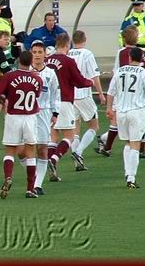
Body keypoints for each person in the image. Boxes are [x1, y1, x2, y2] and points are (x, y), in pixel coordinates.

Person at [97, 25, 145, 158]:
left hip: (122, 92)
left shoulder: (121, 53)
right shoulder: (142, 53)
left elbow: (116, 72)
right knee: (140, 121)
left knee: (118, 121)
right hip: (138, 93)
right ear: (136, 38)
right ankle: (139, 149)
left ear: (124, 39)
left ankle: (107, 145)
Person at [0, 51, 43, 199]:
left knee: (10, 151)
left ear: (18, 60)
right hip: (30, 117)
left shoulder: (9, 76)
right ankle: (30, 189)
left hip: (13, 116)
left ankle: (8, 177)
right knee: (31, 152)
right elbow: (38, 94)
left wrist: (5, 98)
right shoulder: (37, 78)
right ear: (31, 61)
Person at [44, 33, 94, 182]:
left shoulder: (47, 60)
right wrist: (89, 82)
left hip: (48, 103)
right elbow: (78, 81)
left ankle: (50, 167)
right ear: (67, 45)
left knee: (53, 137)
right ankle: (53, 159)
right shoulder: (68, 61)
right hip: (64, 101)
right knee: (69, 137)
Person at [106, 47, 145, 188]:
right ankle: (131, 177)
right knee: (136, 144)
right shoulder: (144, 73)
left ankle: (127, 173)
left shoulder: (119, 71)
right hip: (137, 112)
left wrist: (109, 108)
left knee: (127, 143)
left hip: (121, 112)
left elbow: (110, 92)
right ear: (141, 59)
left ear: (129, 57)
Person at [68, 30, 106, 171]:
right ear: (85, 39)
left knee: (75, 128)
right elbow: (94, 75)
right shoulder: (87, 53)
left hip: (70, 95)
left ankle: (77, 161)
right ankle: (79, 152)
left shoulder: (69, 53)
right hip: (83, 93)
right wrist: (101, 94)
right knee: (94, 126)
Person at [29, 41, 60, 195]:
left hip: (44, 113)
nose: (37, 55)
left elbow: (55, 94)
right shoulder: (26, 71)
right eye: (34, 52)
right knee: (24, 150)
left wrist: (55, 113)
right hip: (27, 114)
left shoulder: (50, 74)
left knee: (42, 149)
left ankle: (37, 184)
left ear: (45, 54)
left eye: (40, 52)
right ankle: (31, 176)